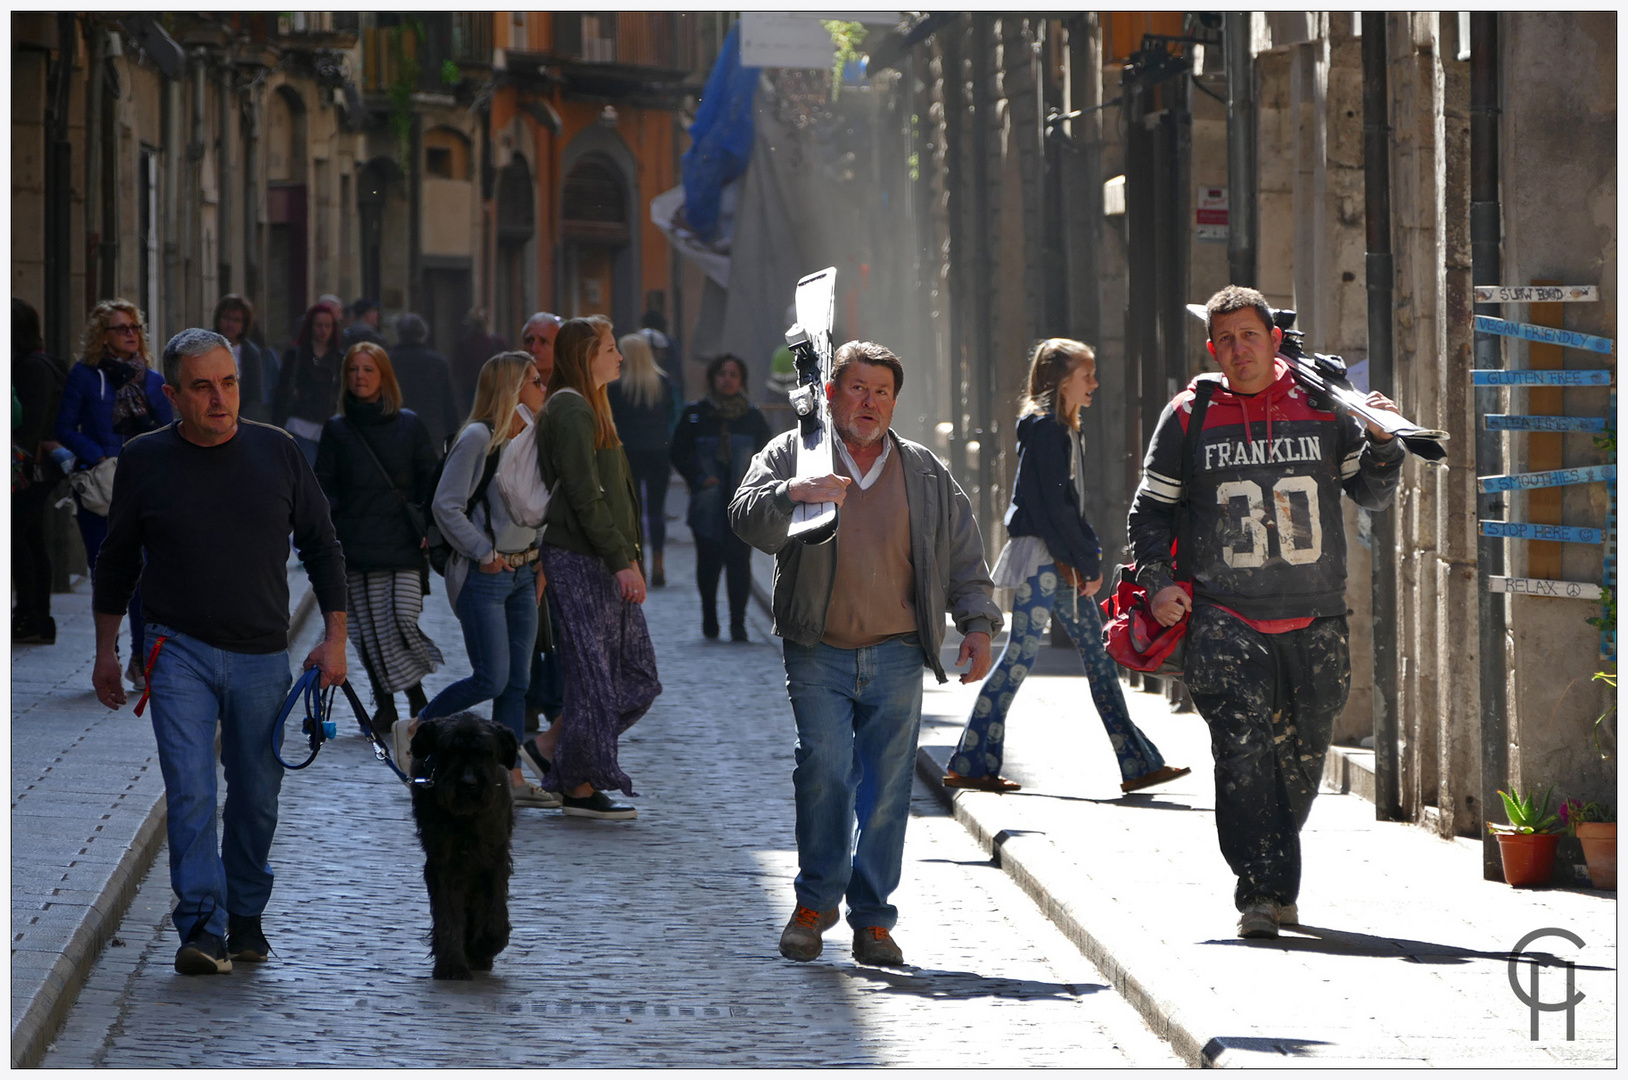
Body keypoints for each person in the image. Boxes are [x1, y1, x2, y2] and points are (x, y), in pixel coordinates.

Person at [1127, 285, 1406, 940]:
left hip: (1316, 617)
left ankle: (1273, 873)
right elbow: (1151, 512)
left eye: (1249, 335)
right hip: (1225, 618)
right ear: (1211, 348)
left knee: (1302, 760)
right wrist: (1158, 581)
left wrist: (1385, 446)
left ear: (1274, 339)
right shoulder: (1189, 414)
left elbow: (1370, 493)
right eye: (1225, 339)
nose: (1238, 349)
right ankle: (1260, 890)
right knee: (1242, 755)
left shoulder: (1321, 405)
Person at [730, 340, 1001, 967]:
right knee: (823, 769)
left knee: (885, 789)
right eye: (857, 388)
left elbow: (964, 556)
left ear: (894, 402)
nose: (869, 402)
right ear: (831, 393)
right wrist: (794, 492)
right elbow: (745, 517)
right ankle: (814, 901)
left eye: (881, 392)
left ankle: (873, 918)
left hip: (898, 651)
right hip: (817, 647)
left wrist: (978, 624)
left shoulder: (926, 473)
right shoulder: (795, 454)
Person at [90, 327, 348, 975]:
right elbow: (116, 559)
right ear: (172, 394)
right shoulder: (146, 459)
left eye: (228, 383)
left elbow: (322, 546)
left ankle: (246, 917)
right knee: (191, 791)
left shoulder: (279, 451)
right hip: (175, 648)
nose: (218, 398)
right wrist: (104, 651)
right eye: (201, 387)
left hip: (263, 653)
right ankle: (201, 925)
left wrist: (335, 640)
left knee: (258, 794)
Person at [946, 339, 1190, 795]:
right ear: (1062, 380)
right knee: (1018, 657)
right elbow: (1053, 508)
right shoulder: (1046, 430)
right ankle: (972, 760)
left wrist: (1084, 554)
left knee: (1097, 657)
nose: (1094, 383)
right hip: (1044, 560)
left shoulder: (1060, 427)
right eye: (1087, 375)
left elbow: (1064, 507)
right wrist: (1086, 559)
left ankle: (1137, 763)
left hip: (1055, 561)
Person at [414, 352, 557, 810]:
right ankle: (420, 728)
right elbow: (445, 505)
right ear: (512, 389)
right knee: (491, 678)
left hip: (524, 573)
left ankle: (509, 776)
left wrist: (540, 562)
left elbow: (541, 505)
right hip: (486, 575)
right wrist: (485, 553)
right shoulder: (477, 437)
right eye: (535, 381)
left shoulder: (532, 437)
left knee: (517, 681)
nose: (542, 388)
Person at [533, 316, 662, 821]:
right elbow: (586, 497)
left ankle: (554, 750)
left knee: (637, 678)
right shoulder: (570, 408)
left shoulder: (591, 406)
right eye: (610, 348)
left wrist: (626, 558)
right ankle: (579, 786)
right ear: (587, 356)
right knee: (594, 681)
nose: (620, 357)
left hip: (603, 561)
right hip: (581, 560)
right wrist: (621, 561)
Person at [315, 341, 442, 733]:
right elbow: (324, 485)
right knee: (368, 631)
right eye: (353, 370)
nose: (359, 377)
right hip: (355, 544)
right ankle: (388, 704)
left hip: (401, 543)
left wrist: (429, 530)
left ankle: (420, 698)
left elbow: (430, 480)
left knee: (400, 620)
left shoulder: (409, 424)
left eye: (368, 370)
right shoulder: (337, 429)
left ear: (384, 376)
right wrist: (332, 528)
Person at [55, 298, 173, 686]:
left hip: (142, 490)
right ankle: (109, 653)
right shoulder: (85, 376)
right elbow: (65, 427)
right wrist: (98, 455)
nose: (130, 335)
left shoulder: (154, 381)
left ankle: (140, 658)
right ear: (103, 337)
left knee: (142, 576)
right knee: (105, 575)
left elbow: (169, 431)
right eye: (121, 328)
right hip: (101, 491)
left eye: (135, 328)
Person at [670, 354, 771, 641]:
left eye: (733, 374)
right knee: (709, 562)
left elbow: (767, 454)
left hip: (743, 504)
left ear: (742, 380)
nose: (727, 379)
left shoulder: (752, 417)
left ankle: (738, 623)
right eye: (722, 374)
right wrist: (700, 478)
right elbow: (679, 451)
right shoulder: (696, 414)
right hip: (707, 502)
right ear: (713, 378)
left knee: (740, 562)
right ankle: (710, 619)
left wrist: (751, 479)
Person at [12, 298, 68, 644]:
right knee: (29, 539)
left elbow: (30, 424)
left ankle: (33, 615)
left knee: (19, 538)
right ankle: (34, 615)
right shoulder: (38, 363)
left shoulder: (32, 366)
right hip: (36, 469)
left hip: (30, 470)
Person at [608, 331, 679, 588]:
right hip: (658, 452)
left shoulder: (616, 387)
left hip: (628, 453)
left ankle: (640, 566)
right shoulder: (663, 383)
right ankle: (659, 564)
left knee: (633, 513)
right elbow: (673, 417)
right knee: (656, 511)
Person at [273, 300, 346, 464]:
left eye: (328, 326)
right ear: (310, 327)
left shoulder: (339, 358)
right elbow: (282, 390)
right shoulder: (296, 354)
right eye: (318, 325)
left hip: (327, 426)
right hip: (299, 423)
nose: (323, 330)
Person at [389, 312, 462, 450]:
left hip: (396, 430)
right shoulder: (438, 362)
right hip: (432, 430)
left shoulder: (389, 362)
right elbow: (449, 403)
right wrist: (453, 434)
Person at [213, 294, 278, 424]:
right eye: (226, 318)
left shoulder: (251, 353)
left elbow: (255, 397)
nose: (230, 324)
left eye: (237, 320)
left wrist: (239, 422)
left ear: (244, 324)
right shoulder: (206, 345)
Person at [453, 309, 508, 414]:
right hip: (493, 389)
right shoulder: (497, 342)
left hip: (471, 392)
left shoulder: (464, 344)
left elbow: (457, 371)